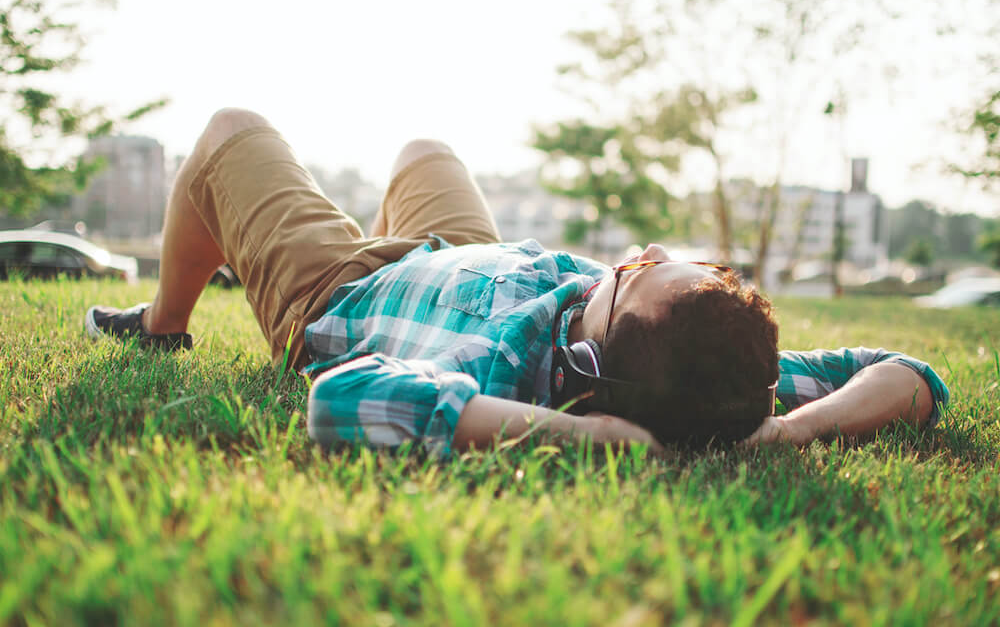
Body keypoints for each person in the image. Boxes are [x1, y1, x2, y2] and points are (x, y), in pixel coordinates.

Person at [84, 109, 950, 456]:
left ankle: (162, 321)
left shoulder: (502, 378)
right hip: (465, 253)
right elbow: (908, 374)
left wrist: (579, 436)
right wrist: (793, 431)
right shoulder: (718, 374)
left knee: (230, 133)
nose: (640, 249)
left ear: (585, 360)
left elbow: (345, 401)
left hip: (339, 291)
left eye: (635, 273)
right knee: (425, 151)